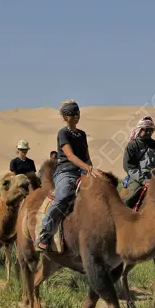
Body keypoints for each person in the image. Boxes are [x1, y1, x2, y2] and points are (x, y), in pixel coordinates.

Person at [36, 100, 103, 251]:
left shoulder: (82, 134)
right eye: (73, 114)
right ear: (66, 117)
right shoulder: (63, 133)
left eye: (78, 112)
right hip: (66, 171)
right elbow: (70, 156)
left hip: (83, 171)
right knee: (64, 195)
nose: (76, 116)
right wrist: (88, 168)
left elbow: (86, 156)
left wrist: (92, 170)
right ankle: (44, 234)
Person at [122, 115, 155, 208]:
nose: (148, 132)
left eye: (151, 130)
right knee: (132, 196)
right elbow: (128, 166)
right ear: (139, 130)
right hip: (138, 178)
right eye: (146, 130)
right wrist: (144, 180)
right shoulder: (132, 145)